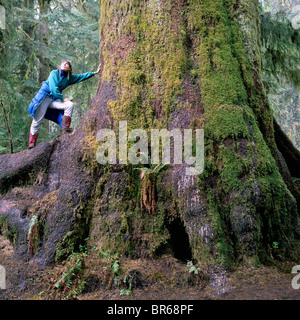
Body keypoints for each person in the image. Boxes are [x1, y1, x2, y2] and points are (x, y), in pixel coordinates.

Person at [27, 59, 101, 149]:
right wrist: (62, 99)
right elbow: (53, 88)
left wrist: (94, 73)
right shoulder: (54, 73)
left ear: (70, 68)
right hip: (44, 98)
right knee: (37, 121)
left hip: (54, 100)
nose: (65, 64)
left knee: (69, 105)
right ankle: (31, 144)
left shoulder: (69, 78)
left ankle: (66, 129)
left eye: (67, 64)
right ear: (60, 65)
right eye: (64, 63)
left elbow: (81, 77)